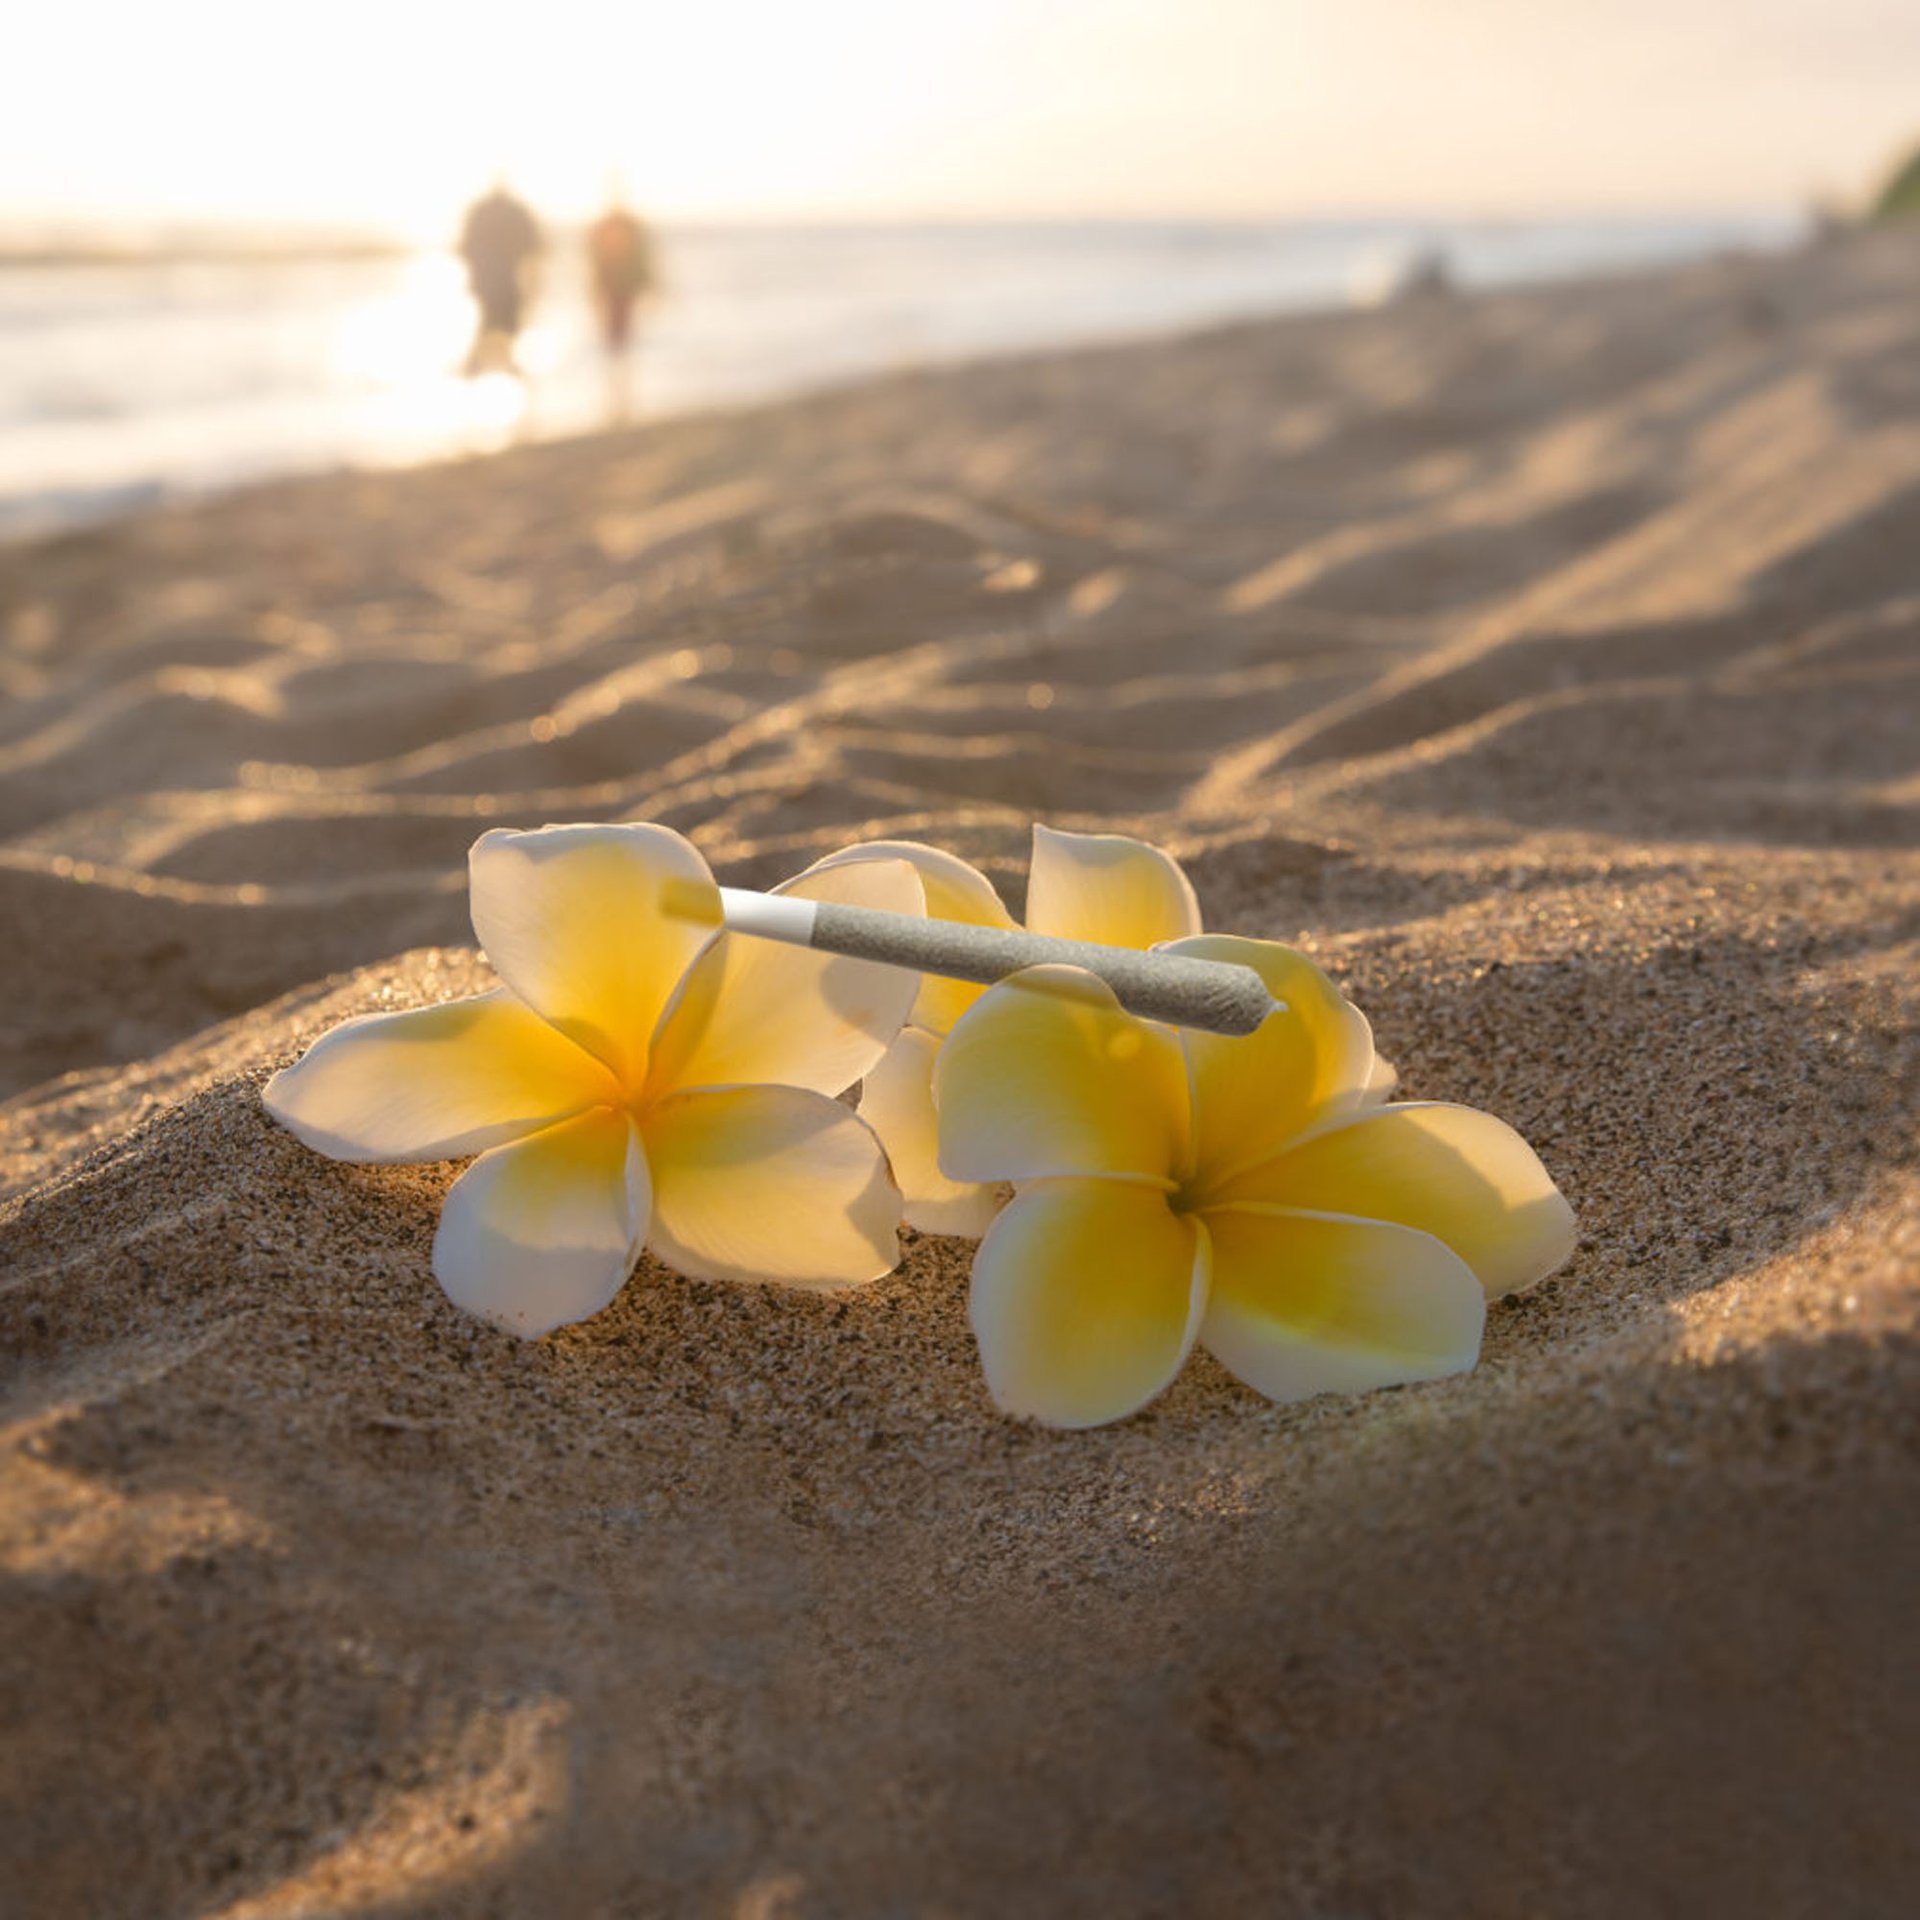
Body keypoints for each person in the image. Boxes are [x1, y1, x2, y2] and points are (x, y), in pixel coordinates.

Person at [458, 182, 543, 376]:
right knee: (504, 326)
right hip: (503, 283)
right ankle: (499, 371)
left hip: (491, 282)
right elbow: (534, 243)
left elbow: (465, 246)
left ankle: (479, 370)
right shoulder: (513, 212)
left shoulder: (482, 211)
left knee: (493, 325)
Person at [586, 194, 658, 418]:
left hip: (620, 290)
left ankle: (620, 395)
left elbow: (640, 257)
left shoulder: (616, 225)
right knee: (617, 341)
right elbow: (596, 258)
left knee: (618, 341)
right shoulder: (613, 225)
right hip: (616, 290)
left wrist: (649, 283)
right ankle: (619, 394)